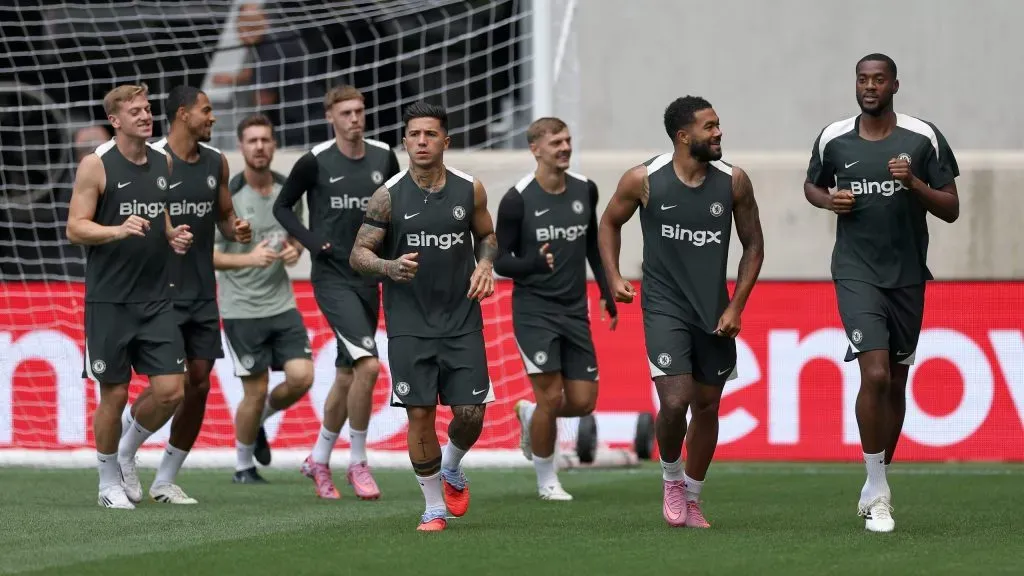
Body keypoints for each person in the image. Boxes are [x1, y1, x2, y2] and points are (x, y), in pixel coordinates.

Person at [803, 53, 959, 533]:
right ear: (855, 85)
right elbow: (811, 185)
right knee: (873, 373)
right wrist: (830, 201)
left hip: (908, 275)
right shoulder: (834, 137)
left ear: (895, 85)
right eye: (862, 79)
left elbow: (951, 207)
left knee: (894, 382)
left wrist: (912, 182)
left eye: (879, 80)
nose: (869, 87)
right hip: (855, 272)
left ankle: (876, 479)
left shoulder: (922, 137)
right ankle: (878, 492)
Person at [598, 95, 764, 529]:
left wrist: (736, 305)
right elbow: (609, 222)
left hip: (714, 312)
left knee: (707, 407)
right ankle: (671, 479)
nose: (718, 133)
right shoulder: (644, 179)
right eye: (709, 127)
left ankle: (692, 495)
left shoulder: (734, 182)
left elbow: (754, 246)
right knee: (675, 402)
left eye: (718, 125)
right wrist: (613, 276)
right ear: (683, 136)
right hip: (664, 306)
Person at [349, 101, 498, 531]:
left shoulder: (470, 189)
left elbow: (487, 236)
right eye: (414, 134)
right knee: (419, 414)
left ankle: (451, 464)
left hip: (462, 319)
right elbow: (359, 254)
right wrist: (388, 267)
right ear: (404, 140)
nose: (421, 141)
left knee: (471, 414)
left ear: (445, 141)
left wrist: (485, 264)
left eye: (430, 134)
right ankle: (433, 507)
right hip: (409, 324)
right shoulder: (388, 195)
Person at [119, 85, 252, 505]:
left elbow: (226, 217)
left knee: (198, 385)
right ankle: (124, 451)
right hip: (159, 292)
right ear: (183, 114)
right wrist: (166, 233)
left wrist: (238, 230)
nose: (212, 118)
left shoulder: (217, 162)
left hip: (201, 292)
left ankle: (165, 480)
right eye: (206, 111)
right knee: (169, 387)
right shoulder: (154, 161)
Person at [66, 83, 194, 509]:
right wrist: (118, 230)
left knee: (172, 391)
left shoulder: (164, 162)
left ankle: (125, 452)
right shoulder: (95, 165)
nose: (145, 115)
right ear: (115, 121)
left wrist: (174, 236)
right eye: (135, 111)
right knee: (115, 393)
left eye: (147, 108)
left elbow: (161, 211)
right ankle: (106, 483)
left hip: (156, 297)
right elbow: (75, 228)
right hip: (110, 301)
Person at [273, 85, 400, 500]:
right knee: (368, 366)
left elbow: (397, 211)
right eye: (346, 112)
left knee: (347, 374)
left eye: (359, 111)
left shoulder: (384, 157)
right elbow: (283, 206)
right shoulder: (315, 160)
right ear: (331, 116)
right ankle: (358, 462)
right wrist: (312, 242)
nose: (354, 119)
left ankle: (318, 458)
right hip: (333, 278)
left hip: (371, 277)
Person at [493, 117, 617, 500]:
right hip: (535, 311)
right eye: (555, 143)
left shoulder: (585, 190)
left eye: (567, 140)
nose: (564, 147)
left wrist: (607, 288)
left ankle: (531, 417)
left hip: (574, 310)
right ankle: (547, 480)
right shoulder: (517, 198)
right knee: (550, 396)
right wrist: (532, 263)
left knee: (582, 402)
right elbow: (499, 261)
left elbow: (592, 245)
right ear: (536, 149)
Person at [216, 114, 315, 484]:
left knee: (302, 376)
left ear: (274, 145)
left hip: (281, 304)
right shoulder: (228, 194)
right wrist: (249, 258)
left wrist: (294, 251)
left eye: (266, 140)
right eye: (252, 140)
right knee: (253, 390)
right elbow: (208, 254)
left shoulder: (288, 190)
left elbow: (294, 237)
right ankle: (243, 466)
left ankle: (258, 422)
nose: (260, 146)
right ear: (241, 147)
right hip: (241, 308)